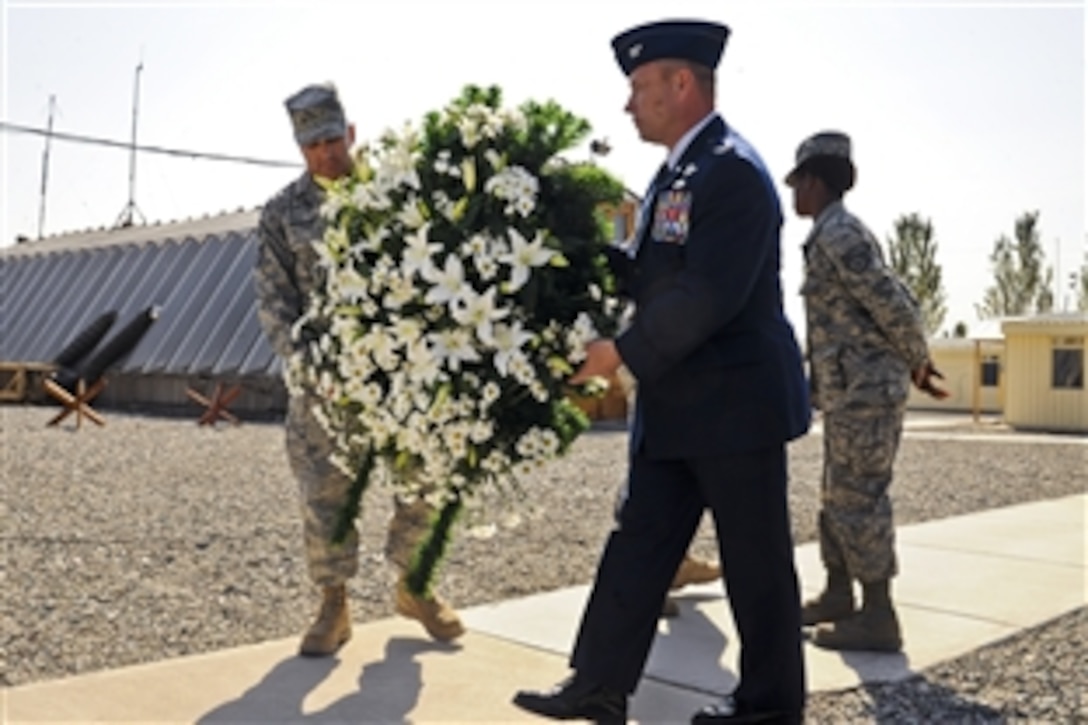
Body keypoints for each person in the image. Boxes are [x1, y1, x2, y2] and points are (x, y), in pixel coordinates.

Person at [514, 19, 811, 725]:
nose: (628, 104)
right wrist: (572, 255)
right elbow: (656, 274)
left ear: (682, 84)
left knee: (755, 563)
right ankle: (598, 683)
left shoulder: (731, 171)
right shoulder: (680, 170)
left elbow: (705, 295)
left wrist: (617, 354)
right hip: (680, 405)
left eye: (639, 86)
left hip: (736, 408)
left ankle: (769, 709)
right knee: (638, 546)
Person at [253, 83, 464, 657]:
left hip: (403, 372)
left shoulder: (396, 194)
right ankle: (333, 604)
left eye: (329, 139)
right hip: (326, 381)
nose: (323, 153)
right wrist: (306, 365)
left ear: (350, 132)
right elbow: (274, 302)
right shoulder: (282, 213)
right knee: (325, 493)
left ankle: (414, 587)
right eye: (310, 145)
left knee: (425, 476)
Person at [784, 130, 947, 653]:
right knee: (837, 492)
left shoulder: (840, 235)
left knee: (860, 496)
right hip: (847, 391)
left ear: (815, 181)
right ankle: (838, 593)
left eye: (797, 183)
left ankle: (878, 613)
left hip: (867, 391)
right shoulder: (829, 233)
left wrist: (918, 359)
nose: (792, 195)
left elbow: (892, 302)